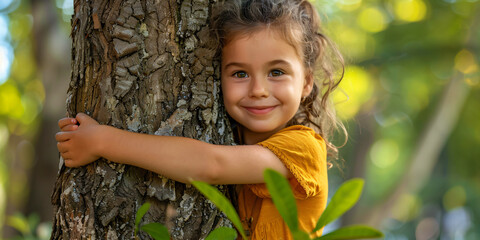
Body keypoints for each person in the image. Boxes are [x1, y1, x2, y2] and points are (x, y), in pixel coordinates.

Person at [55, 0, 345, 238]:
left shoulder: (305, 148)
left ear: (306, 82)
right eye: (240, 74)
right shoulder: (231, 137)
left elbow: (212, 165)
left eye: (277, 72)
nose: (258, 90)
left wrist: (104, 141)